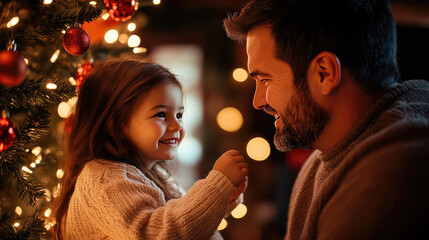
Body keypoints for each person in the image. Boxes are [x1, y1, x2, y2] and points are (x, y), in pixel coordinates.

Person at [223, 0, 429, 239]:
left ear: (325, 73)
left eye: (266, 79)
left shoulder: (393, 173)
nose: (258, 102)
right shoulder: (321, 160)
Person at [52, 59, 249, 240]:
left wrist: (222, 201)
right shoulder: (103, 180)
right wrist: (215, 188)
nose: (177, 126)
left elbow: (184, 224)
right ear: (117, 123)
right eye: (161, 114)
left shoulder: (155, 173)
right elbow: (159, 234)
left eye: (179, 115)